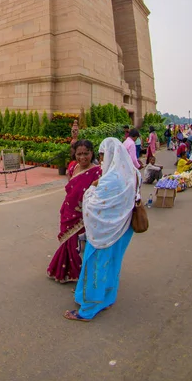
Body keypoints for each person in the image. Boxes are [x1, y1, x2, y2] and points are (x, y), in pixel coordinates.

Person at [64, 137, 138, 321]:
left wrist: (91, 190)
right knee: (113, 263)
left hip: (104, 232)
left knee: (95, 266)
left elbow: (92, 203)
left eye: (104, 155)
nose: (102, 160)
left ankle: (87, 310)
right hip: (123, 229)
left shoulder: (109, 179)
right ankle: (107, 299)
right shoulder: (133, 172)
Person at [47, 140, 101, 283]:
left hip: (82, 213)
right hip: (67, 210)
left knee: (73, 241)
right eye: (79, 154)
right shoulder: (73, 167)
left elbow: (97, 196)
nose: (82, 157)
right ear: (74, 154)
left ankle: (74, 272)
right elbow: (71, 187)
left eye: (86, 153)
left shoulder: (97, 172)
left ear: (92, 153)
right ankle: (64, 270)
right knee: (66, 240)